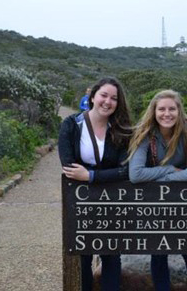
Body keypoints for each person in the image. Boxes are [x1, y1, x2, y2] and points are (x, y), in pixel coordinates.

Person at [127, 90, 187, 291]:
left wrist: (161, 178)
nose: (167, 114)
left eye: (172, 109)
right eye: (162, 109)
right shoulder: (146, 133)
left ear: (179, 110)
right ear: (154, 111)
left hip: (181, 199)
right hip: (155, 201)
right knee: (159, 248)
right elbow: (135, 174)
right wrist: (168, 170)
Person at [58, 77, 132, 291]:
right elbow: (69, 167)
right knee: (83, 258)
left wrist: (90, 176)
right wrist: (107, 174)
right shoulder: (71, 125)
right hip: (80, 201)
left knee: (111, 256)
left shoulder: (121, 130)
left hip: (112, 201)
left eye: (114, 98)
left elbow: (125, 170)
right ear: (92, 97)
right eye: (104, 95)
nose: (108, 101)